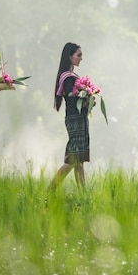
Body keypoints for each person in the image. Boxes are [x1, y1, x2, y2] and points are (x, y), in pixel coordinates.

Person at [48, 42, 91, 191]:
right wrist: (86, 96)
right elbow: (73, 98)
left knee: (78, 160)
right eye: (78, 55)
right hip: (75, 120)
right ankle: (49, 191)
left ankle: (83, 194)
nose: (81, 58)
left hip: (79, 119)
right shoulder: (68, 78)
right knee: (73, 158)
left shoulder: (72, 77)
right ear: (70, 57)